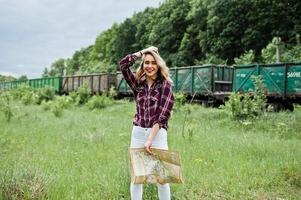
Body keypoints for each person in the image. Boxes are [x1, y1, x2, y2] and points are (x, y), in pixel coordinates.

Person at [119, 46, 175, 200]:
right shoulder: (138, 84)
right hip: (138, 133)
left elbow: (162, 116)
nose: (150, 66)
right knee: (137, 177)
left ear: (158, 65)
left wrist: (150, 139)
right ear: (143, 65)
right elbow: (123, 65)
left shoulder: (166, 86)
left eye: (153, 63)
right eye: (146, 63)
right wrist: (143, 51)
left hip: (157, 135)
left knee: (162, 179)